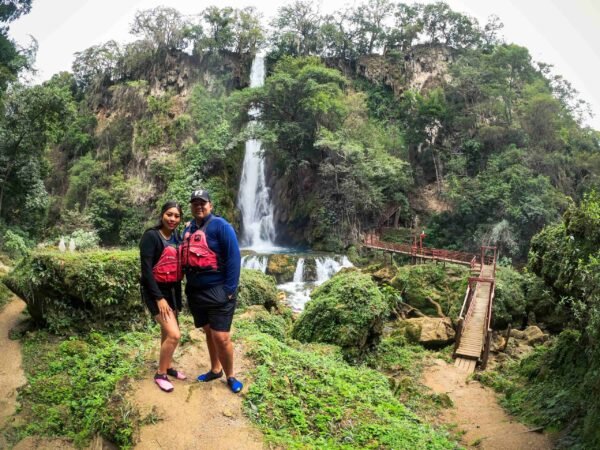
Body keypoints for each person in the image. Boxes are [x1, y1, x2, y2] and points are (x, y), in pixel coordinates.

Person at [181, 189, 243, 393]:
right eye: (195, 203)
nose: (199, 206)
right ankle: (215, 369)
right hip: (196, 292)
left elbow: (234, 259)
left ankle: (231, 375)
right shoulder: (188, 229)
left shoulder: (221, 226)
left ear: (210, 205)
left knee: (221, 336)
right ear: (191, 206)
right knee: (208, 331)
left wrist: (229, 291)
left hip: (218, 291)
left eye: (203, 202)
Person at [139, 201, 186, 392]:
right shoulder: (151, 237)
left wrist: (176, 298)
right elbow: (147, 272)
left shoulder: (176, 237)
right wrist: (159, 298)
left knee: (167, 333)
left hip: (171, 291)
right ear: (162, 215)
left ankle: (168, 366)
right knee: (174, 334)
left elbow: (176, 268)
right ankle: (160, 374)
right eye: (169, 214)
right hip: (155, 292)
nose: (172, 219)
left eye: (176, 216)